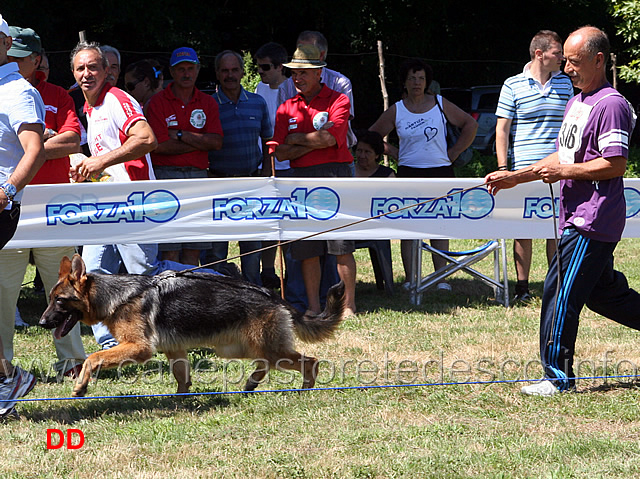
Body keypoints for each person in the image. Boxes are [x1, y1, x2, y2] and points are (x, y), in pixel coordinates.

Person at [485, 26, 640, 397]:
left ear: (598, 60)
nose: (567, 68)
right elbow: (563, 156)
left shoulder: (610, 104)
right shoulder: (578, 101)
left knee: (559, 292)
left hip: (593, 217)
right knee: (604, 294)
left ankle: (557, 377)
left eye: (574, 61)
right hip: (576, 214)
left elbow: (615, 164)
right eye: (565, 60)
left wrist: (563, 172)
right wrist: (515, 177)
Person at [0, 26, 86, 380]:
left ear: (37, 59)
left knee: (65, 286)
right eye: (14, 57)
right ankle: (4, 366)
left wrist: (29, 150)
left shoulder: (49, 95)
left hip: (51, 204)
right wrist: (34, 147)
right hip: (15, 204)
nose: (18, 62)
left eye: (23, 56)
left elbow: (73, 139)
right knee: (4, 291)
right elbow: (54, 142)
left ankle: (72, 360)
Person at [70, 41, 158, 350]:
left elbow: (147, 139)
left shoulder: (117, 99)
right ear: (73, 73)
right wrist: (87, 170)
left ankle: (154, 336)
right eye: (80, 68)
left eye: (93, 67)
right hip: (103, 204)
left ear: (108, 71)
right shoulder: (89, 108)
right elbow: (106, 159)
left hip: (135, 202)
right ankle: (110, 343)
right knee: (92, 274)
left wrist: (99, 161)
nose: (87, 74)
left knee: (143, 274)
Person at [369, 58, 477, 290]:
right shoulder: (397, 109)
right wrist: (396, 152)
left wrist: (455, 152)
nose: (417, 83)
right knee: (409, 227)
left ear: (427, 82)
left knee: (440, 224)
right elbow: (373, 137)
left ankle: (442, 278)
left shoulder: (439, 103)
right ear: (404, 83)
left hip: (441, 171)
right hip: (409, 172)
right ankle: (410, 279)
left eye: (421, 78)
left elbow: (470, 124)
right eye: (412, 78)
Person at [273, 44, 357, 316]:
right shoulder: (286, 107)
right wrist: (315, 142)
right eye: (294, 73)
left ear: (319, 72)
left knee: (340, 245)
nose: (297, 78)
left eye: (304, 73)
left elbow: (332, 138)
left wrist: (297, 138)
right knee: (307, 247)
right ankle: (312, 307)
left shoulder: (338, 100)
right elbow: (281, 151)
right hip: (300, 179)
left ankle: (348, 306)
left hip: (336, 175)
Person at [495, 30, 574, 303]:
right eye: (557, 53)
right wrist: (504, 167)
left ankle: (557, 284)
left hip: (559, 167)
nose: (562, 58)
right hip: (523, 168)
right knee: (523, 228)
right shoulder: (512, 85)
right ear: (539, 54)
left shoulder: (565, 83)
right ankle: (522, 288)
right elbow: (502, 129)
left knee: (556, 227)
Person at [0, 14, 45, 419]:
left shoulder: (19, 91)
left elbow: (34, 150)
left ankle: (6, 380)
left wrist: (7, 190)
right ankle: (5, 378)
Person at [146, 47, 223, 265]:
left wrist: (180, 134)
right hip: (165, 177)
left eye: (191, 68)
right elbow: (158, 146)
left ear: (198, 70)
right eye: (181, 69)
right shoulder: (158, 102)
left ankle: (191, 297)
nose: (186, 74)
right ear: (172, 71)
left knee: (194, 246)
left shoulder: (208, 102)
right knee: (169, 247)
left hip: (199, 178)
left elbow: (216, 142)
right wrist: (199, 142)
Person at [206, 50, 272, 285]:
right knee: (217, 248)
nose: (230, 75)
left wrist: (266, 175)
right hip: (218, 183)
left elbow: (268, 142)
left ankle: (255, 294)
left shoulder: (257, 103)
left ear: (243, 72)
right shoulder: (209, 105)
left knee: (252, 246)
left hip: (252, 182)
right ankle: (217, 295)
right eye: (225, 71)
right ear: (217, 73)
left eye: (235, 70)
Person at [255, 42, 289, 288]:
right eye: (258, 68)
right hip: (266, 163)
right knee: (268, 220)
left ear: (280, 67)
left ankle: (293, 270)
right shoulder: (259, 88)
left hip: (290, 164)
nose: (261, 73)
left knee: (288, 223)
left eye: (266, 68)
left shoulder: (290, 88)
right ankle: (267, 271)